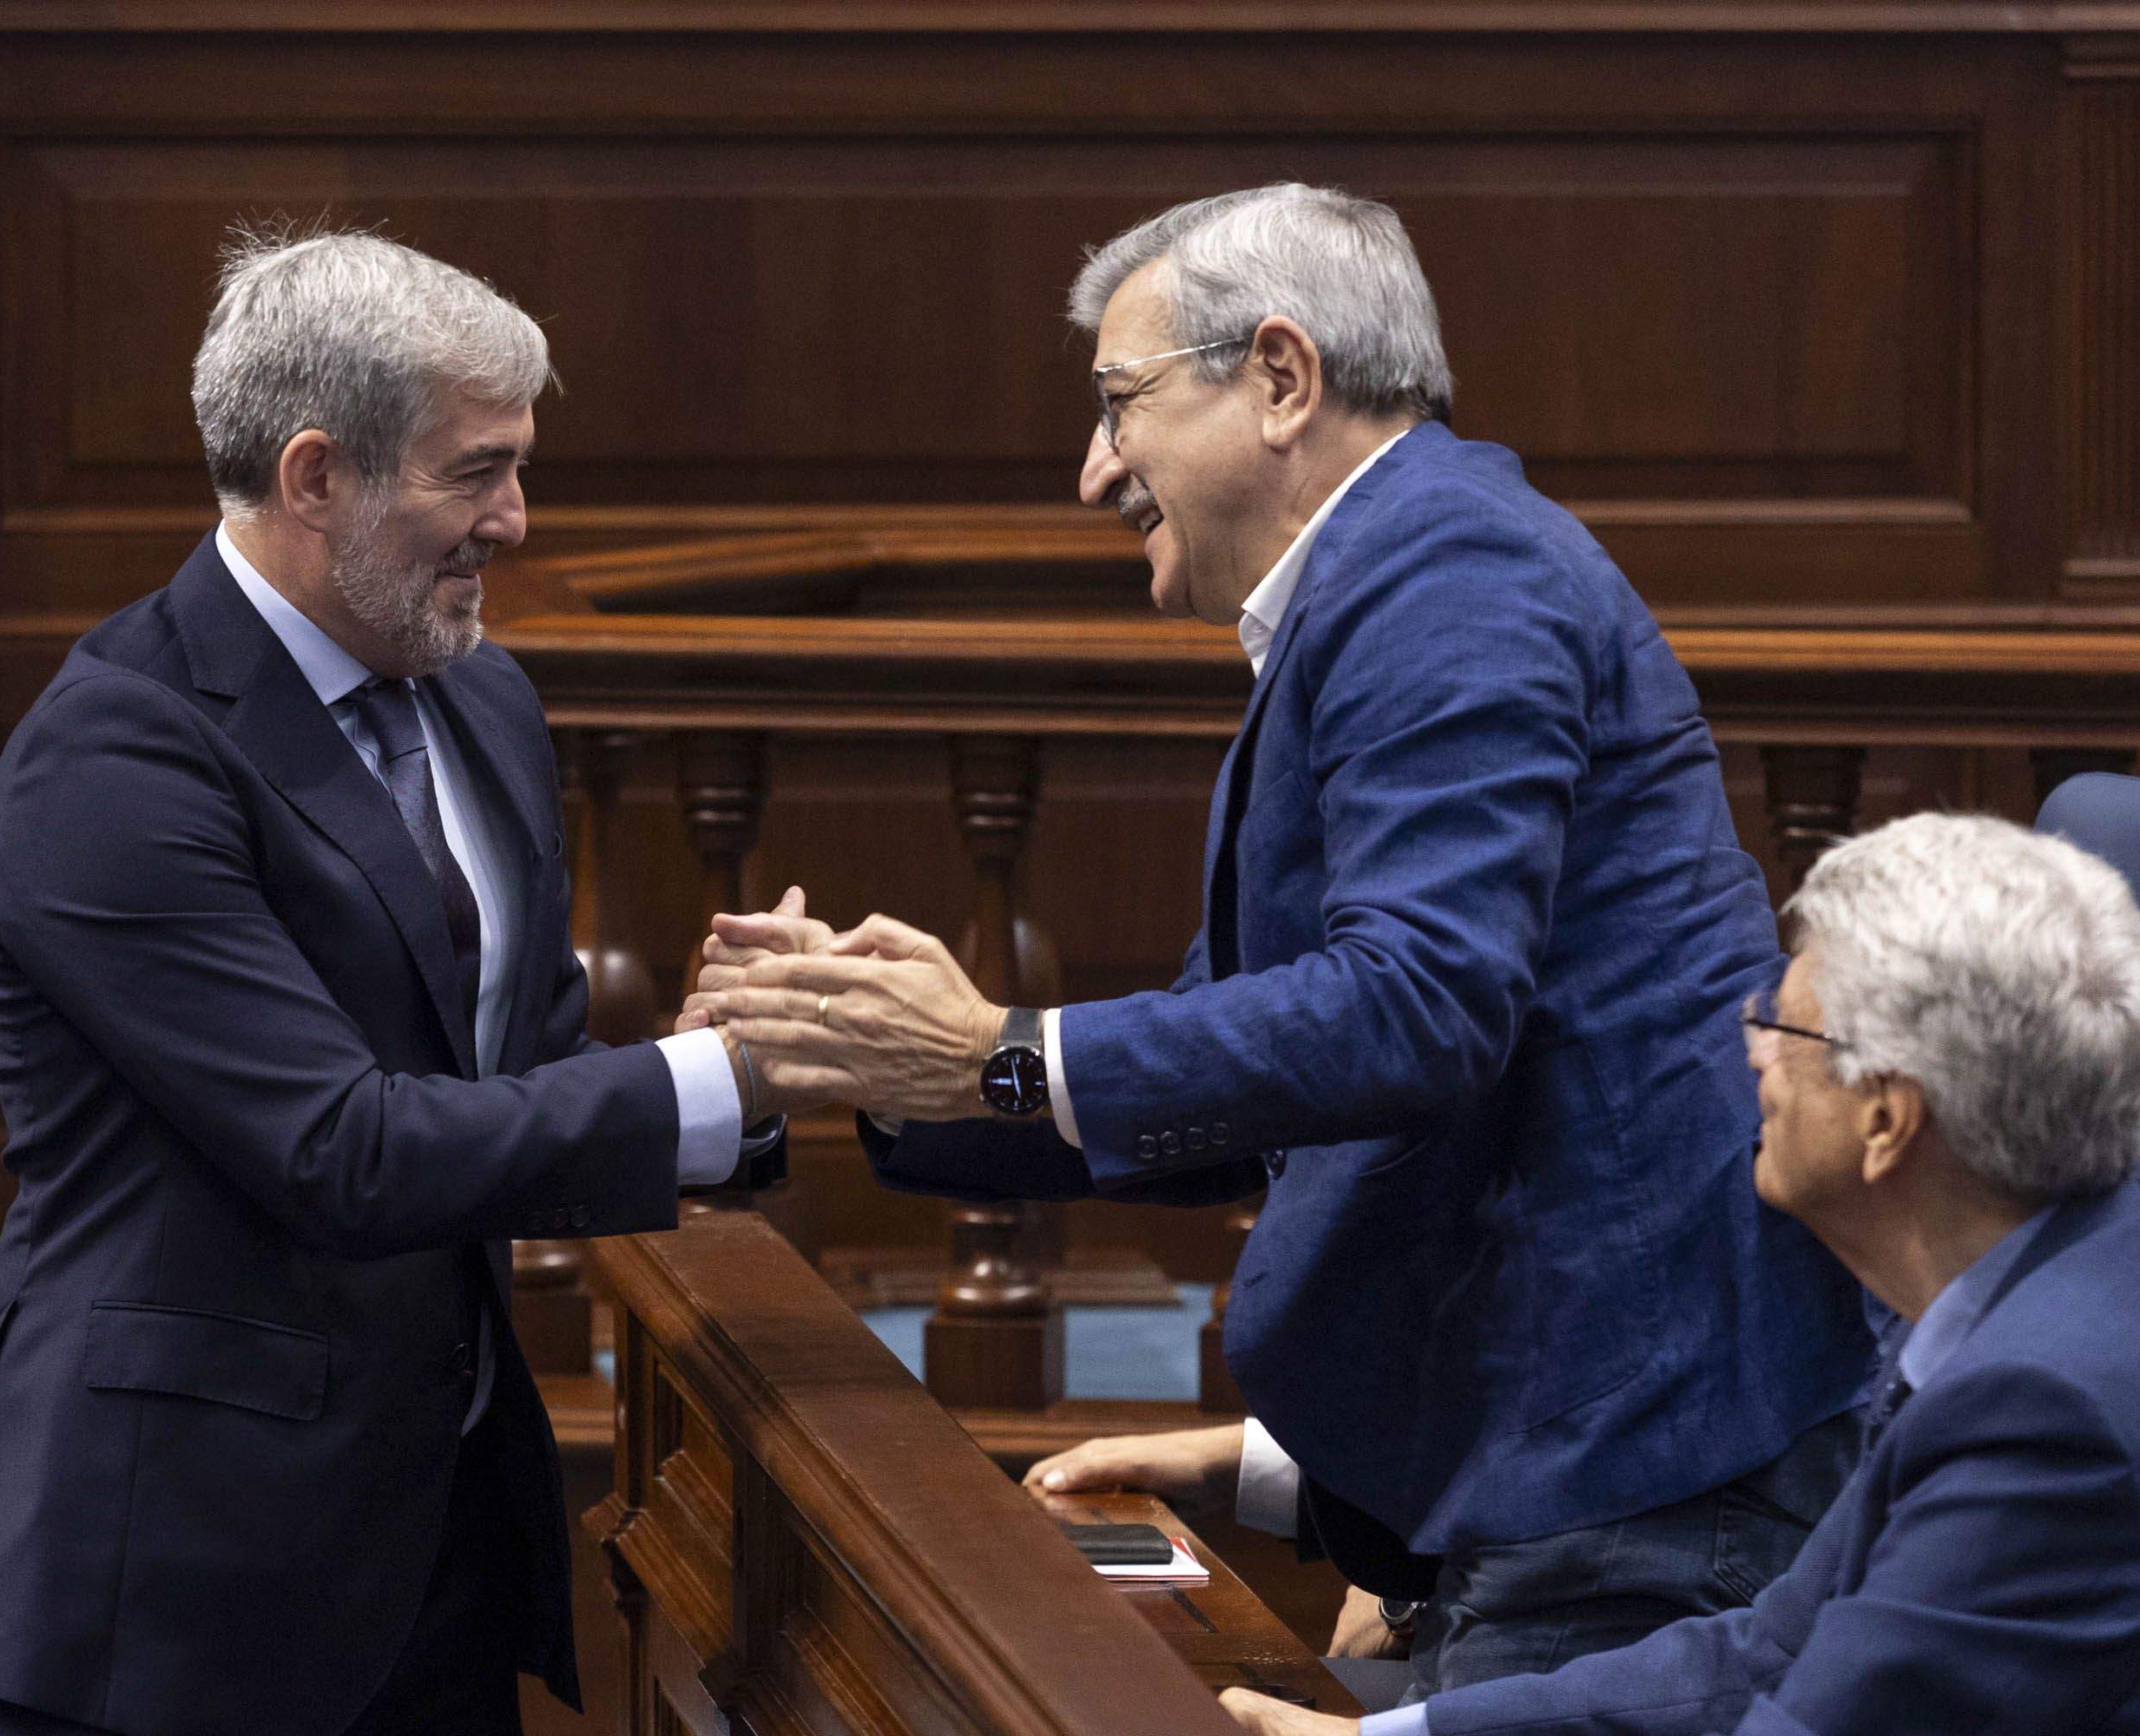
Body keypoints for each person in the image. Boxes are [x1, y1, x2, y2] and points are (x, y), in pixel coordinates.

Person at [695, 184, 1871, 1696]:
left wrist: (994, 1055)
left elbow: (1418, 1008)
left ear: (1280, 378)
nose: (1091, 470)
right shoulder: (1399, 571)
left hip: (1628, 1456)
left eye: (1120, 406)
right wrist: (899, 1072)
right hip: (1570, 1447)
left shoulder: (1451, 574)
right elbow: (1245, 1061)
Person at [0, 227, 785, 1736]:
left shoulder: (481, 696)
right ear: (314, 477)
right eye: (474, 472)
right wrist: (704, 1096)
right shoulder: (116, 752)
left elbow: (511, 1081)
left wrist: (734, 1051)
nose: (516, 518)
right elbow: (341, 1150)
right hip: (172, 1596)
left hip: (432, 1555)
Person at [1218, 812, 2140, 1734]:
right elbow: (1766, 1651)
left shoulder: (2046, 1410)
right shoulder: (2051, 1290)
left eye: (1785, 1028)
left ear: (1888, 1119)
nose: (1748, 1048)